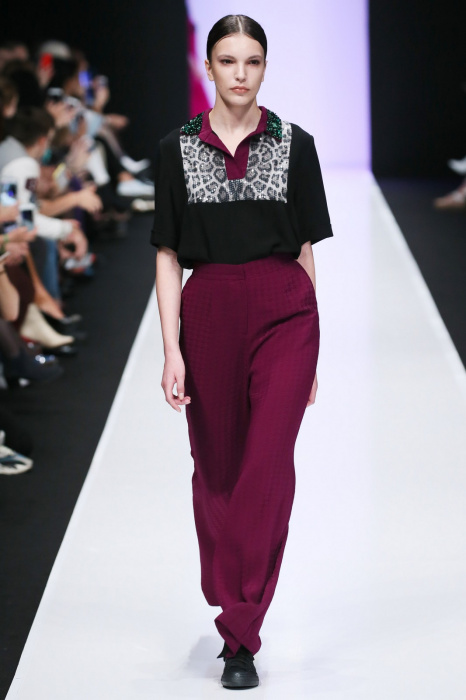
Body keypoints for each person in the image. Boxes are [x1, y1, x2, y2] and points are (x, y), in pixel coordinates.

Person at [151, 14, 333, 690]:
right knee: (217, 473)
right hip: (209, 310)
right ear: (208, 67)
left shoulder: (295, 144)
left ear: (264, 67)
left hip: (286, 309)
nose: (239, 73)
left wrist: (315, 349)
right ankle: (231, 592)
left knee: (266, 464)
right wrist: (171, 349)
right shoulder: (176, 149)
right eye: (227, 60)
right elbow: (167, 253)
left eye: (251, 61)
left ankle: (242, 631)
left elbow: (305, 248)